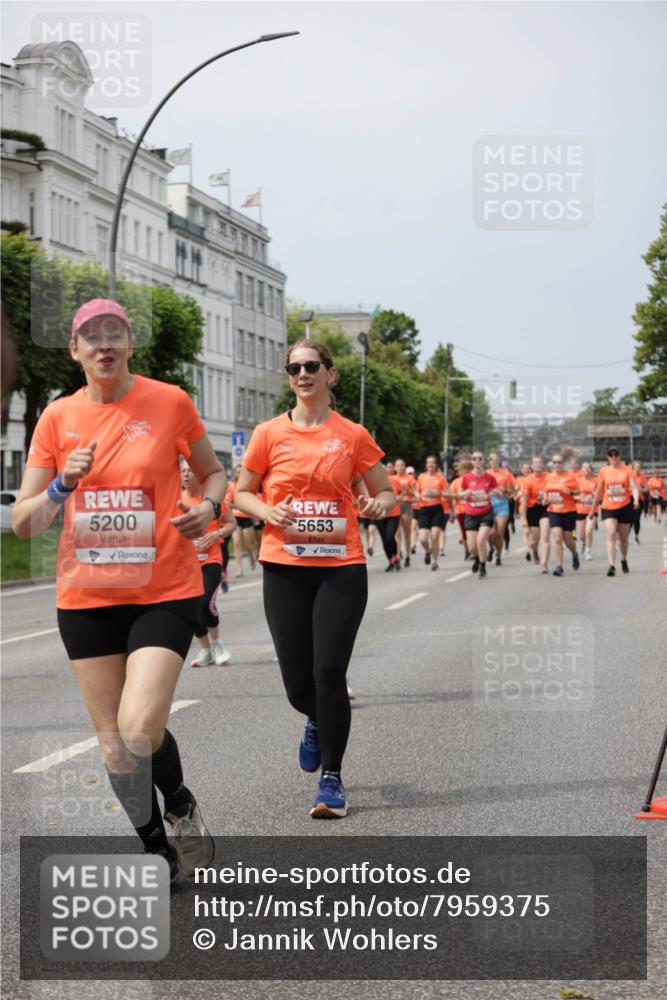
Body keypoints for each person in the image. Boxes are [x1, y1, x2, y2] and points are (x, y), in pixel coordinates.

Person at [12, 298, 227, 880]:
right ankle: (155, 847)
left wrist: (207, 506)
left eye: (115, 334)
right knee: (114, 746)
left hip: (162, 588)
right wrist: (61, 484)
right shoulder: (57, 419)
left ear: (130, 345)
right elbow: (24, 522)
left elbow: (213, 472)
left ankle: (178, 800)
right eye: (91, 336)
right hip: (86, 600)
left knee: (139, 727)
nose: (103, 344)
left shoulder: (169, 402)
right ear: (75, 351)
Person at [233, 339, 395, 819]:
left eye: (311, 366)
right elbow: (242, 494)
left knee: (329, 672)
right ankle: (313, 718)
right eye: (293, 368)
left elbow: (385, 493)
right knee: (297, 683)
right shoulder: (267, 434)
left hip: (341, 565)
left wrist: (373, 505)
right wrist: (267, 508)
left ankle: (332, 779)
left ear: (330, 374)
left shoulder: (352, 434)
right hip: (284, 566)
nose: (302, 374)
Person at [180, 459, 235, 666]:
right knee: (191, 608)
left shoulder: (212, 500)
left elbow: (232, 524)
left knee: (205, 603)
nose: (186, 474)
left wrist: (216, 534)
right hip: (185, 562)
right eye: (183, 470)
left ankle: (218, 644)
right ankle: (205, 650)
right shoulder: (175, 499)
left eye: (190, 470)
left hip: (210, 559)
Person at [588, 447, 639, 576]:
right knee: (611, 534)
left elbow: (633, 486)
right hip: (608, 507)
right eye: (611, 455)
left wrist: (636, 500)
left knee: (623, 538)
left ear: (620, 456)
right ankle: (611, 565)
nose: (614, 457)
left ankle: (623, 559)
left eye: (616, 454)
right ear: (608, 457)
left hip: (625, 506)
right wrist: (592, 509)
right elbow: (599, 491)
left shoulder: (627, 470)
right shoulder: (603, 471)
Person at [460, 450, 500, 580]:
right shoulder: (466, 478)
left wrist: (492, 493)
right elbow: (460, 493)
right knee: (472, 546)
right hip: (471, 513)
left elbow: (498, 490)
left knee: (481, 540)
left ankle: (483, 567)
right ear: (472, 462)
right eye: (475, 458)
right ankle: (476, 559)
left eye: (480, 458)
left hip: (486, 513)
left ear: (483, 461)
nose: (477, 460)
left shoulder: (489, 477)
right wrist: (465, 493)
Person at [543, 453, 580, 576]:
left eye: (559, 462)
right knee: (557, 538)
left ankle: (574, 553)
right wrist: (544, 499)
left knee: (568, 540)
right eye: (554, 462)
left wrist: (570, 491)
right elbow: (545, 491)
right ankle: (559, 566)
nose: (557, 465)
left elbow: (578, 491)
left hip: (568, 511)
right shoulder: (548, 477)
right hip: (554, 511)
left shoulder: (570, 476)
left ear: (563, 463)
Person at [416, 455, 448, 571]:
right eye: (429, 463)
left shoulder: (441, 478)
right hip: (424, 509)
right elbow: (417, 491)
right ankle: (428, 550)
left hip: (437, 509)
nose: (431, 465)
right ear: (426, 465)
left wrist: (438, 494)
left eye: (433, 463)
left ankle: (434, 561)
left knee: (435, 536)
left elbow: (448, 494)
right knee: (423, 539)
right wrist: (417, 496)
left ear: (436, 465)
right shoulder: (421, 477)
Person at [226, 464, 257, 577]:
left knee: (248, 544)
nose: (239, 474)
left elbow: (253, 501)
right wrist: (239, 506)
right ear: (235, 474)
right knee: (237, 543)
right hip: (236, 518)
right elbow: (228, 502)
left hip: (247, 518)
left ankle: (252, 558)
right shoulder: (232, 486)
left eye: (241, 472)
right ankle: (239, 569)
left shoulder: (249, 486)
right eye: (237, 472)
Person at [521, 456, 550, 572]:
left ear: (543, 465)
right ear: (532, 466)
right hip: (532, 509)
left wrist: (547, 499)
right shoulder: (527, 480)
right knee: (534, 541)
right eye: (535, 463)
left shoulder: (548, 477)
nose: (538, 465)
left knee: (545, 537)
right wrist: (523, 518)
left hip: (545, 508)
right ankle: (534, 551)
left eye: (540, 463)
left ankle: (544, 563)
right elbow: (524, 501)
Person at [486, 453, 515, 566]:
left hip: (502, 504)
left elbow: (512, 492)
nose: (493, 461)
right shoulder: (486, 474)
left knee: (499, 533)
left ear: (499, 461)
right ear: (488, 461)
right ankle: (491, 548)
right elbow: (481, 490)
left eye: (495, 459)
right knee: (490, 533)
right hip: (489, 504)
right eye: (491, 459)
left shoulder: (506, 474)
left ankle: (498, 555)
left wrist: (506, 491)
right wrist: (493, 491)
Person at [376, 464, 402, 571]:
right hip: (379, 514)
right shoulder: (373, 483)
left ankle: (396, 557)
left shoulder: (394, 481)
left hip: (393, 514)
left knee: (390, 537)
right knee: (384, 540)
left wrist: (398, 497)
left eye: (383, 470)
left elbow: (400, 493)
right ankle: (390, 560)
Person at [393, 458, 416, 567]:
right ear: (395, 467)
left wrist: (408, 489)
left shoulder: (410, 478)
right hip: (396, 506)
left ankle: (407, 556)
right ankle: (397, 554)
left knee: (407, 533)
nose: (400, 467)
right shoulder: (392, 478)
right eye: (398, 466)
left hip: (406, 505)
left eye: (402, 465)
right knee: (397, 534)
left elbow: (415, 493)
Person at [575, 461, 597, 560]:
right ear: (581, 470)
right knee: (581, 535)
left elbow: (600, 497)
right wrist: (579, 496)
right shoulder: (577, 481)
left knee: (588, 531)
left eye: (588, 468)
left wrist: (595, 496)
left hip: (592, 510)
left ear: (591, 470)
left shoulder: (596, 481)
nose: (587, 470)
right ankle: (584, 543)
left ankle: (588, 551)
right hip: (580, 510)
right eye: (584, 468)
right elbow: (572, 496)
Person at [514, 461, 533, 561]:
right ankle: (527, 551)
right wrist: (517, 495)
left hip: (533, 507)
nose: (526, 470)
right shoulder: (519, 480)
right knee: (526, 531)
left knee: (533, 532)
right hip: (523, 508)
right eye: (524, 468)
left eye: (528, 468)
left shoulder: (533, 479)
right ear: (521, 470)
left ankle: (533, 547)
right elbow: (515, 493)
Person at [631, 460, 649, 543]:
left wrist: (640, 489)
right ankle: (623, 537)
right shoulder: (629, 475)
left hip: (639, 499)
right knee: (628, 519)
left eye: (639, 467)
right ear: (633, 467)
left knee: (636, 519)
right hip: (629, 499)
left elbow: (647, 488)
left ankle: (636, 536)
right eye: (636, 467)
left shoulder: (642, 476)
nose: (638, 468)